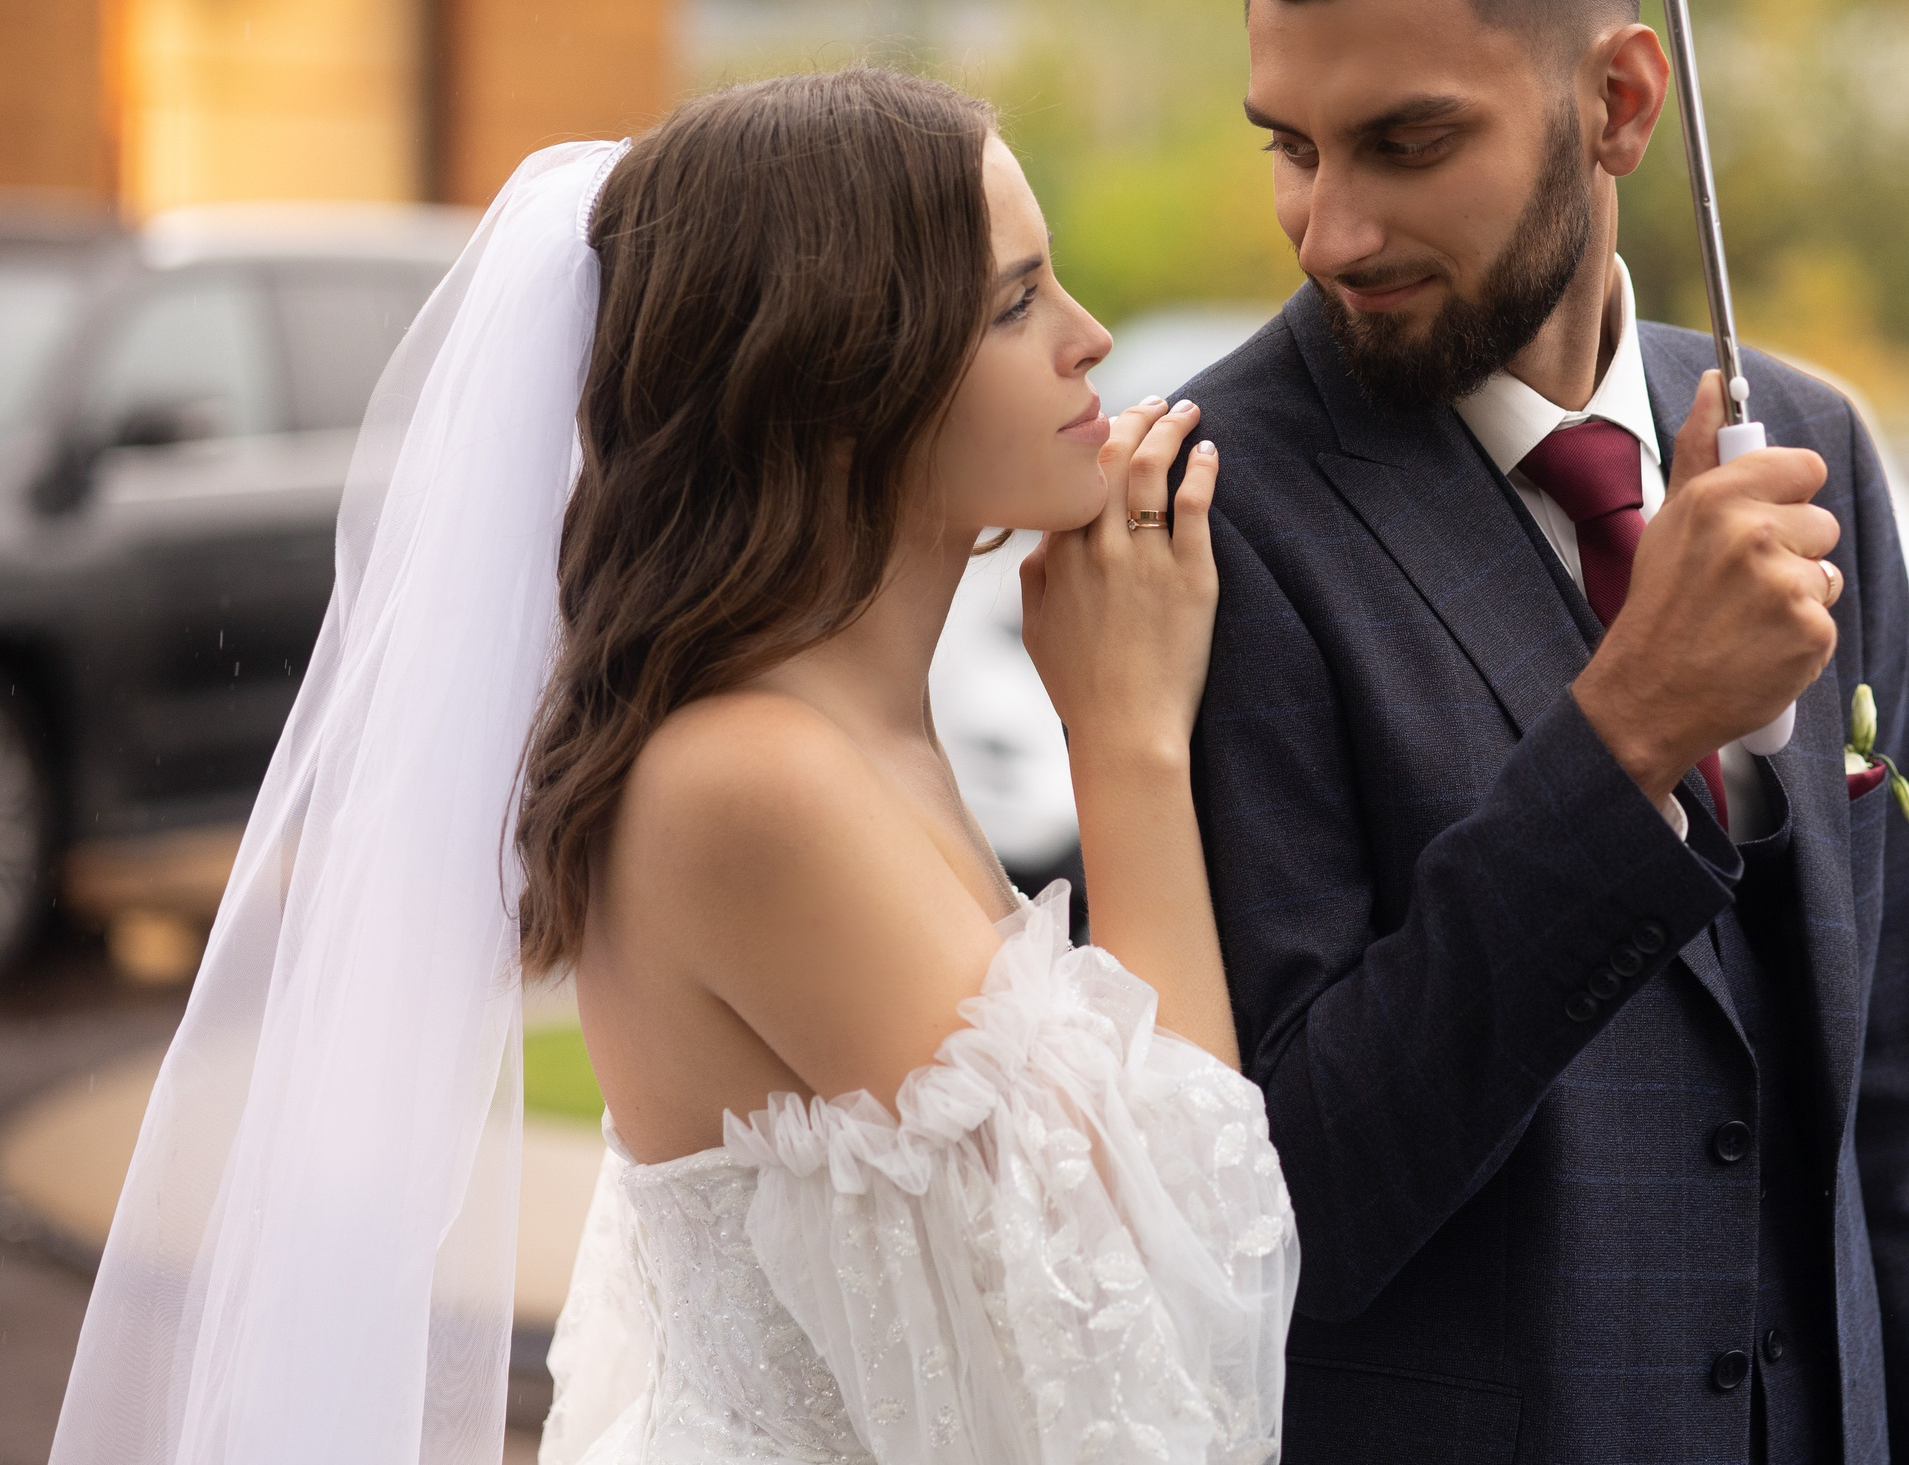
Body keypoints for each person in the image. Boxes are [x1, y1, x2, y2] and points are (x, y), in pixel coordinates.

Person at [48, 70, 1295, 1465]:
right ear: (834, 382)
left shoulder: (850, 735)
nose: (1091, 338)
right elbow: (1173, 1318)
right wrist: (1127, 741)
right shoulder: (751, 783)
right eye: (1013, 304)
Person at [1173, 0, 1909, 1465]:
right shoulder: (1223, 510)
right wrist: (1624, 733)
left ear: (1621, 101)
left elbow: (1908, 1114)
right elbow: (1291, 1206)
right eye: (1293, 146)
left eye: (1407, 143)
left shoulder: (1818, 455)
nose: (1329, 230)